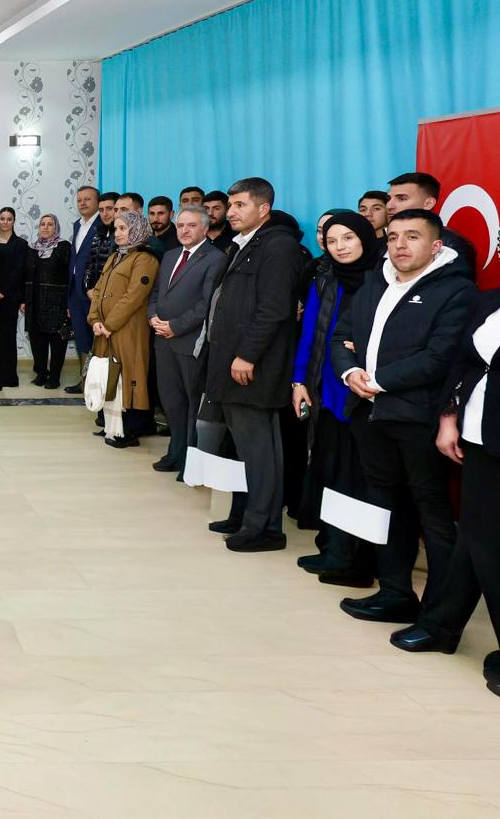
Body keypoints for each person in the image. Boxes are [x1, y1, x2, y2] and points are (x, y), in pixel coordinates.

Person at [401, 215, 500, 698]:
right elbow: (463, 362)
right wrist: (448, 418)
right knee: (476, 542)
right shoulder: (493, 301)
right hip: (478, 443)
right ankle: (443, 626)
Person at [331, 209, 474, 625]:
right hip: (368, 412)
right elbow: (341, 335)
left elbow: (439, 357)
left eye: (412, 236)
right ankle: (395, 594)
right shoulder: (375, 280)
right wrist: (350, 372)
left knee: (431, 510)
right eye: (393, 237)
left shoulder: (456, 290)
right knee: (386, 505)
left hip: (417, 417)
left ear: (436, 246)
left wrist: (378, 381)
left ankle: (439, 614)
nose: (400, 245)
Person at [198, 177, 306, 552]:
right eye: (230, 205)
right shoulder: (243, 243)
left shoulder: (278, 246)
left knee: (259, 450)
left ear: (264, 208)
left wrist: (247, 355)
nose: (231, 212)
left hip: (251, 367)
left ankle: (264, 527)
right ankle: (244, 514)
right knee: (239, 447)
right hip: (229, 361)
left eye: (240, 205)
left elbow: (273, 309)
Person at [287, 212, 379, 582]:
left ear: (365, 239)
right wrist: (298, 381)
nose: (339, 247)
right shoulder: (325, 277)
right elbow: (309, 333)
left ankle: (355, 559)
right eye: (332, 240)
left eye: (348, 238)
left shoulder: (382, 279)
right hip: (324, 391)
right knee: (330, 473)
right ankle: (334, 548)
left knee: (357, 479)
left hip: (363, 395)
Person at [146, 205, 227, 472]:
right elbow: (156, 293)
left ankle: (191, 464)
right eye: (181, 225)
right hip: (163, 341)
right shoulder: (170, 255)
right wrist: (153, 317)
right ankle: (175, 453)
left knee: (192, 404)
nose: (184, 230)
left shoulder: (215, 258)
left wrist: (176, 326)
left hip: (190, 342)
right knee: (171, 402)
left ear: (204, 228)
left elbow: (208, 303)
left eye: (191, 225)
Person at [88, 210, 160, 448]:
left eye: (123, 228)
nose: (117, 233)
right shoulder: (115, 257)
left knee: (128, 375)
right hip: (104, 330)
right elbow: (98, 290)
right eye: (116, 229)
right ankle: (112, 425)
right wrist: (94, 319)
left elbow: (133, 297)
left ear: (136, 230)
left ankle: (129, 429)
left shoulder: (145, 259)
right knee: (109, 376)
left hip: (127, 329)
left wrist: (109, 324)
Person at [383, 172, 477, 276]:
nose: (389, 206)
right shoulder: (383, 238)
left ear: (428, 204)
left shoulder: (452, 245)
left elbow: (454, 284)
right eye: (389, 199)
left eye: (401, 199)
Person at [0, 207, 29, 390]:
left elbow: (19, 271)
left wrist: (3, 291)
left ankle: (6, 377)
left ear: (14, 221)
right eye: (2, 218)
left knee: (7, 337)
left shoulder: (21, 244)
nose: (5, 222)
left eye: (9, 219)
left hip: (9, 297)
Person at [24, 214, 73, 388]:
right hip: (34, 301)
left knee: (57, 341)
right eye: (42, 224)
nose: (45, 227)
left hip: (57, 302)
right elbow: (25, 275)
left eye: (50, 224)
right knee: (37, 340)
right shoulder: (31, 248)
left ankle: (54, 377)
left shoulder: (64, 247)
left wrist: (69, 303)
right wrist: (23, 300)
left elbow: (71, 276)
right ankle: (41, 373)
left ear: (56, 227)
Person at [65, 185, 102, 390]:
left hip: (93, 292)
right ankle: (85, 381)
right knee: (81, 338)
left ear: (97, 202)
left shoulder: (104, 224)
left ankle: (98, 384)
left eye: (87, 199)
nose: (82, 203)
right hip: (75, 291)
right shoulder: (77, 225)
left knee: (97, 339)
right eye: (79, 199)